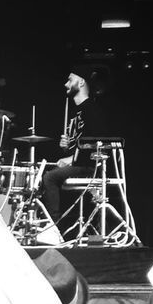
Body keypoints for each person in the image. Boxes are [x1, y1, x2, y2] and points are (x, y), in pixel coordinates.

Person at [38, 69, 109, 226]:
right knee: (40, 174)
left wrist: (71, 158)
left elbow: (97, 142)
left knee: (50, 178)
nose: (66, 84)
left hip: (89, 166)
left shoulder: (92, 109)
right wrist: (66, 147)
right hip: (78, 163)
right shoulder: (75, 111)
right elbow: (77, 143)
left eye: (70, 80)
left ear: (81, 82)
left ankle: (52, 227)